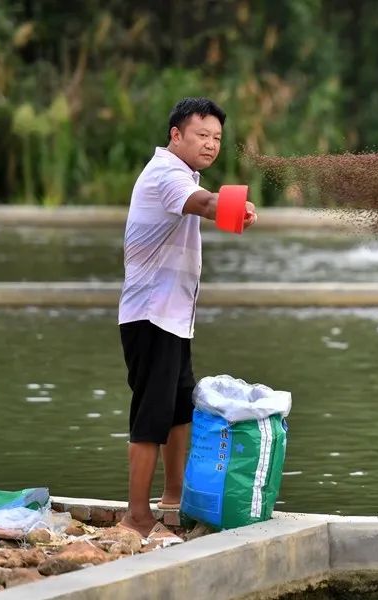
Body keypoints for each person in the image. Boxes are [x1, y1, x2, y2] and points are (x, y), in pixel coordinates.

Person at [117, 97, 257, 538]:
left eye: (217, 137)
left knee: (180, 412)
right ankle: (137, 517)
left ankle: (172, 503)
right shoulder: (166, 173)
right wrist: (232, 206)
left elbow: (204, 201)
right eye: (202, 135)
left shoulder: (184, 174)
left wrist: (231, 209)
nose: (211, 144)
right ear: (175, 135)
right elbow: (202, 203)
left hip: (174, 318)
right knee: (151, 416)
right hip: (150, 316)